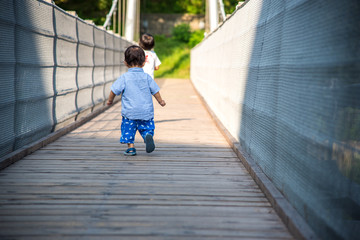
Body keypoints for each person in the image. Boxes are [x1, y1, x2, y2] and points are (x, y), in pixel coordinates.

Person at [107, 45, 166, 156]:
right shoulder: (147, 77)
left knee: (128, 129)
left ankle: (131, 148)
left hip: (130, 112)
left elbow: (113, 90)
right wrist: (160, 101)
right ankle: (147, 135)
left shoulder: (124, 77)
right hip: (146, 111)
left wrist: (110, 101)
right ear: (144, 63)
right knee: (146, 127)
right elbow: (155, 91)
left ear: (125, 62)